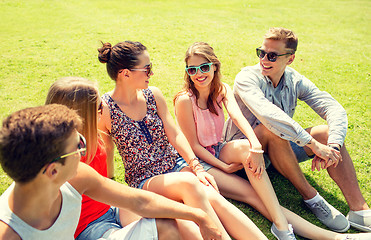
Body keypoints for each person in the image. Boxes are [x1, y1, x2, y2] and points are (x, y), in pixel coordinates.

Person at [174, 41, 371, 240]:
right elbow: (193, 146)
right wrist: (223, 167)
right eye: (192, 70)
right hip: (201, 161)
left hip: (219, 148)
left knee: (246, 147)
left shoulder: (222, 89)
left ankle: (287, 225)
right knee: (254, 196)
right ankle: (322, 235)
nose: (199, 74)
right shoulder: (184, 100)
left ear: (215, 66)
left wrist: (256, 146)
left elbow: (237, 117)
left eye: (204, 67)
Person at [97, 40, 268, 240]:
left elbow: (175, 133)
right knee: (189, 183)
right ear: (125, 73)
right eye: (147, 68)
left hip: (176, 165)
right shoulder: (105, 109)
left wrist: (197, 168)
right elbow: (106, 151)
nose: (151, 73)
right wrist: (110, 187)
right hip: (144, 178)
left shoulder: (153, 94)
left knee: (214, 197)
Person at [224, 27, 371, 233]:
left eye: (272, 56)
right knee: (271, 129)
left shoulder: (294, 80)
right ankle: (311, 197)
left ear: (290, 59)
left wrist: (332, 145)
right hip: (243, 157)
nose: (264, 59)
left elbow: (332, 107)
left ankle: (359, 209)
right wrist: (313, 145)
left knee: (326, 133)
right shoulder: (246, 78)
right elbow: (270, 115)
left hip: (278, 152)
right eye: (261, 52)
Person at [0, 104, 222, 240]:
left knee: (165, 224)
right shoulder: (9, 233)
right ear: (52, 171)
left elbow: (139, 201)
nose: (83, 150)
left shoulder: (77, 176)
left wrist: (199, 216)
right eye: (77, 147)